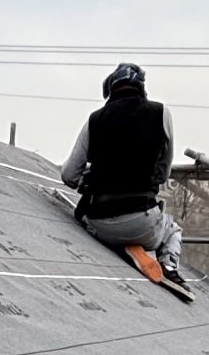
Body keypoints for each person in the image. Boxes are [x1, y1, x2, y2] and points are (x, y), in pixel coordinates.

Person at [61, 63, 188, 292]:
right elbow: (163, 173)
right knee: (173, 230)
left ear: (110, 89)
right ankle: (169, 267)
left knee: (92, 217)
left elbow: (69, 174)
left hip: (99, 222)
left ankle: (120, 242)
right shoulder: (161, 113)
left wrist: (87, 183)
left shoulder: (95, 119)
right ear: (141, 86)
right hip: (143, 223)